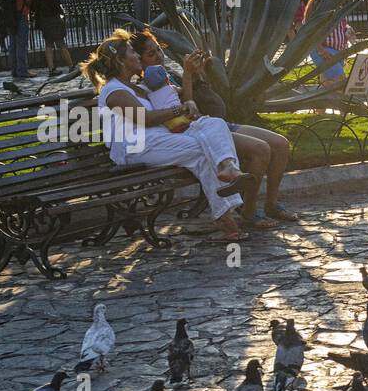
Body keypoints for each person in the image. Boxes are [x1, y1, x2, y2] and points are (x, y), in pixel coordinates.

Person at [83, 32, 255, 242]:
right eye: (131, 53)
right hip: (135, 148)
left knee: (214, 125)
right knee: (202, 149)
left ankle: (228, 173)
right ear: (120, 61)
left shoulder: (137, 87)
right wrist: (180, 110)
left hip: (158, 140)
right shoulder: (113, 92)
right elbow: (144, 118)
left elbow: (172, 99)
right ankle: (226, 209)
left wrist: (188, 85)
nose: (137, 56)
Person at [128, 29, 297, 227]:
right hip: (202, 131)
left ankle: (272, 204)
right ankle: (249, 212)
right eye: (151, 53)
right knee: (261, 150)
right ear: (139, 60)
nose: (159, 55)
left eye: (158, 49)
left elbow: (198, 100)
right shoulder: (150, 85)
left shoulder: (168, 76)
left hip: (214, 124)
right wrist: (188, 77)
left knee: (281, 144)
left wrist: (196, 75)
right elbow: (185, 110)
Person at [30, 0, 71, 77]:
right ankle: (71, 66)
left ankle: (51, 68)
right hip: (54, 18)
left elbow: (33, 7)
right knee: (61, 43)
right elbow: (57, 5)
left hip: (44, 20)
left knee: (48, 44)